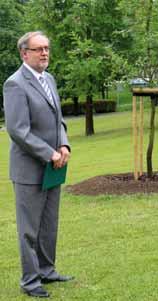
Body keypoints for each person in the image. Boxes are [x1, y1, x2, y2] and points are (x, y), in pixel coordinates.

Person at [3, 31, 73, 298]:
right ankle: (30, 281)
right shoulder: (15, 84)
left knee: (48, 224)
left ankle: (47, 270)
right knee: (29, 230)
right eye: (38, 49)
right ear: (24, 54)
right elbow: (18, 130)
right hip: (29, 169)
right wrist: (50, 153)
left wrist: (64, 145)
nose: (44, 53)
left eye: (46, 48)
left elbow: (59, 120)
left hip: (53, 166)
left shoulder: (49, 79)